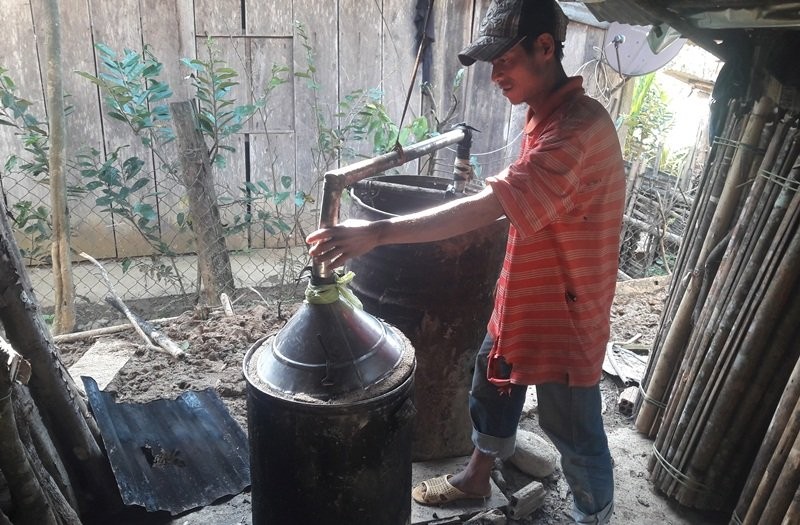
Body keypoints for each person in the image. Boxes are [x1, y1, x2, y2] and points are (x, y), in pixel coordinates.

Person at [306, 0, 625, 522]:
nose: (495, 73)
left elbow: (496, 204)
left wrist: (379, 232)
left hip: (565, 312)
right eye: (490, 61)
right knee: (492, 381)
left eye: (505, 58)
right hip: (525, 294)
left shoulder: (577, 132)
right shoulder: (547, 116)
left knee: (574, 426)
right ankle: (476, 479)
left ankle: (595, 513)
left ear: (545, 47)